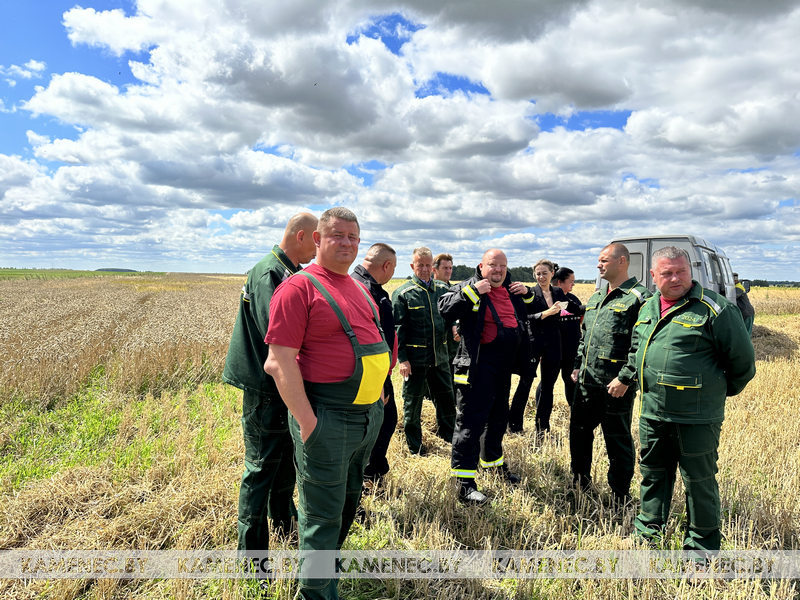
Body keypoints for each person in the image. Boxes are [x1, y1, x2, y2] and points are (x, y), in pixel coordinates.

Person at [264, 208, 390, 600]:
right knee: (321, 518)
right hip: (328, 419)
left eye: (354, 237)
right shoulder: (297, 288)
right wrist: (307, 422)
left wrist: (380, 397)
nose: (347, 243)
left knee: (349, 503)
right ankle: (316, 593)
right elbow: (278, 361)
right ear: (317, 240)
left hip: (366, 418)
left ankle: (325, 576)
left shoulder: (357, 288)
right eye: (338, 236)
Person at [632, 246, 755, 553]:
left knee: (699, 483)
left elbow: (742, 364)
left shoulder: (716, 309)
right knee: (652, 475)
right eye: (667, 273)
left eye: (681, 271)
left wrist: (711, 393)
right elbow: (638, 352)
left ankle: (701, 548)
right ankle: (649, 533)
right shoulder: (647, 307)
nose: (675, 278)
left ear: (691, 271)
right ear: (653, 276)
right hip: (653, 413)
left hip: (696, 418)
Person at [222, 211, 318, 557]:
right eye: (317, 239)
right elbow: (276, 335)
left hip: (281, 384)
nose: (319, 247)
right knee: (261, 467)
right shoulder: (270, 273)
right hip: (267, 387)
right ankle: (252, 557)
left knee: (285, 460)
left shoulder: (289, 271)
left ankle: (283, 523)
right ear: (302, 236)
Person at [438, 249, 533, 504]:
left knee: (498, 420)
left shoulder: (512, 290)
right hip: (476, 368)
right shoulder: (469, 286)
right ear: (482, 266)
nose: (498, 270)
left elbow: (534, 310)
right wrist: (472, 293)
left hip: (503, 367)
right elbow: (445, 307)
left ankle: (492, 463)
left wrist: (528, 293)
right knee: (470, 424)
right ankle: (464, 484)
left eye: (502, 265)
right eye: (493, 265)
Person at [569, 243, 650, 504]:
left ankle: (619, 496)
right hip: (587, 383)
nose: (598, 265)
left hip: (615, 387)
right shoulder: (597, 296)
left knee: (617, 442)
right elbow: (585, 337)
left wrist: (626, 378)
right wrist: (577, 364)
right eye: (599, 260)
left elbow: (642, 345)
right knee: (579, 434)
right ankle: (580, 485)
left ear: (622, 262)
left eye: (604, 260)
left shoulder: (639, 298)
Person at [392, 247, 457, 455]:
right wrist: (402, 359)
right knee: (413, 404)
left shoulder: (442, 290)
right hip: (415, 361)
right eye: (420, 265)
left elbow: (453, 314)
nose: (425, 269)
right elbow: (397, 331)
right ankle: (415, 447)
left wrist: (456, 325)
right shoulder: (403, 294)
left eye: (428, 265)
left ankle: (448, 438)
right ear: (412, 266)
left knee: (447, 400)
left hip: (441, 357)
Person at [508, 259, 580, 436]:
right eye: (538, 274)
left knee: (548, 387)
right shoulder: (529, 293)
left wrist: (591, 308)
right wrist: (546, 314)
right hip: (533, 344)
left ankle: (542, 427)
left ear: (552, 274)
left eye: (544, 273)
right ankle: (515, 425)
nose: (541, 277)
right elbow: (523, 318)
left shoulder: (557, 292)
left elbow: (572, 308)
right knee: (525, 384)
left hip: (554, 345)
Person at [351, 243, 398, 484]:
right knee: (380, 424)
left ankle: (372, 473)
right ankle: (369, 476)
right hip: (371, 374)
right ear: (386, 265)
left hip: (377, 371)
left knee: (385, 421)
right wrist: (379, 380)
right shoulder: (365, 290)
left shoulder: (361, 284)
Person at [551, 267, 585, 407]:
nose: (573, 284)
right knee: (548, 383)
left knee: (571, 381)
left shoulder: (573, 299)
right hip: (554, 349)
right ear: (560, 282)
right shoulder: (550, 300)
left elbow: (580, 319)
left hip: (572, 349)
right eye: (571, 281)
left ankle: (574, 411)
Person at [433, 252, 460, 379]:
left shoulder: (455, 290)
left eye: (450, 268)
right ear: (435, 270)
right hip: (435, 347)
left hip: (453, 345)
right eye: (445, 268)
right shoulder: (430, 292)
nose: (449, 271)